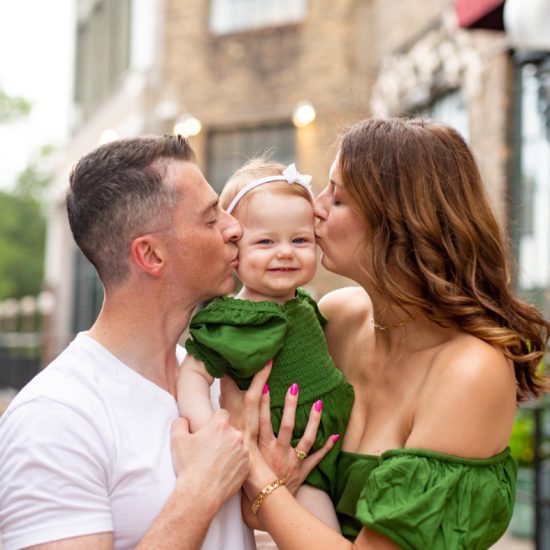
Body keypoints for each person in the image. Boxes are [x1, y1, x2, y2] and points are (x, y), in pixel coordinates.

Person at [223, 118, 550, 549]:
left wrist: (257, 474)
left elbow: (265, 492)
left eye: (337, 197)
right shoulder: (336, 318)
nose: (315, 207)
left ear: (399, 222)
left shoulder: (470, 370)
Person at [0, 135, 255, 549]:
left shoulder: (215, 381)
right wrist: (200, 491)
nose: (234, 228)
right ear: (150, 255)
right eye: (211, 219)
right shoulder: (55, 417)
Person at [179, 158, 354, 529]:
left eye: (300, 240)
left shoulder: (302, 302)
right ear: (234, 250)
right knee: (323, 531)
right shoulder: (237, 317)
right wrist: (212, 431)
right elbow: (193, 372)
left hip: (332, 442)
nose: (285, 252)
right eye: (265, 241)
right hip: (289, 456)